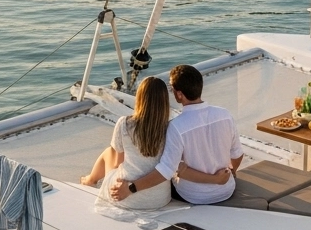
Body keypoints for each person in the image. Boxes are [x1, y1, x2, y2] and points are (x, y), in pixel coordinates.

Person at [110, 64, 242, 205]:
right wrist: (230, 172)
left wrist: (131, 188)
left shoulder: (176, 127)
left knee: (178, 169)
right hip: (226, 189)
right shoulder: (224, 115)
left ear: (179, 94)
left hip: (192, 196)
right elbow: (237, 155)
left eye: (172, 87)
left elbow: (165, 171)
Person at [79, 76, 173, 210]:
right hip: (160, 199)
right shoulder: (171, 128)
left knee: (108, 153)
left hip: (127, 196)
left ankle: (90, 180)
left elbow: (118, 162)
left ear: (140, 99)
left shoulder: (125, 124)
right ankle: (90, 179)